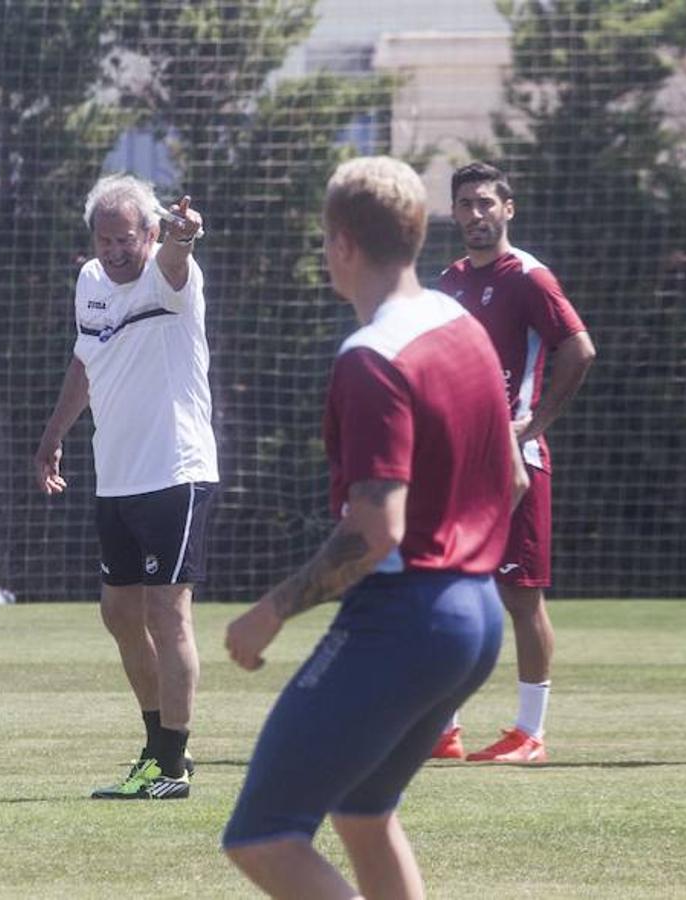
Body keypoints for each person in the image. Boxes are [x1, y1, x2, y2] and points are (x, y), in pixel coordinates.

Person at [222, 156, 528, 899]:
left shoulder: (372, 357)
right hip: (478, 616)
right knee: (362, 811)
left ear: (342, 244)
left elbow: (376, 530)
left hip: (407, 618)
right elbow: (514, 479)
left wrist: (268, 614)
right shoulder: (461, 325)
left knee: (262, 835)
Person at [33, 173, 217, 799]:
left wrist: (184, 236)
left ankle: (172, 763)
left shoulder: (171, 277)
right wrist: (54, 433)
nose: (114, 251)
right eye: (104, 239)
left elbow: (176, 254)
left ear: (149, 232)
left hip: (175, 471)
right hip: (117, 476)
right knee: (119, 614)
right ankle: (156, 747)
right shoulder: (88, 281)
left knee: (169, 613)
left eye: (126, 239)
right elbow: (88, 361)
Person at [430, 162, 595, 763]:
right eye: (466, 204)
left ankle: (531, 732)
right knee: (446, 589)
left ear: (508, 210)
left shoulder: (529, 277)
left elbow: (579, 348)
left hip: (516, 463)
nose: (476, 214)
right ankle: (444, 730)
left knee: (520, 595)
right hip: (459, 464)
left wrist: (532, 428)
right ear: (454, 213)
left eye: (486, 203)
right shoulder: (448, 282)